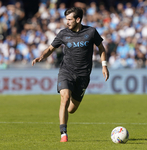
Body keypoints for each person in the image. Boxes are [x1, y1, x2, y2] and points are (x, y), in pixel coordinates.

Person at [32, 7, 109, 142]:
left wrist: (104, 66)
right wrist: (41, 57)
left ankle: (66, 114)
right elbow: (50, 48)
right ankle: (63, 134)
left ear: (78, 19)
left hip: (83, 76)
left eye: (69, 19)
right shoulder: (63, 34)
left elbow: (101, 48)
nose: (66, 22)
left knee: (71, 109)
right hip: (66, 71)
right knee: (65, 97)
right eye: (66, 19)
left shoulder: (91, 32)